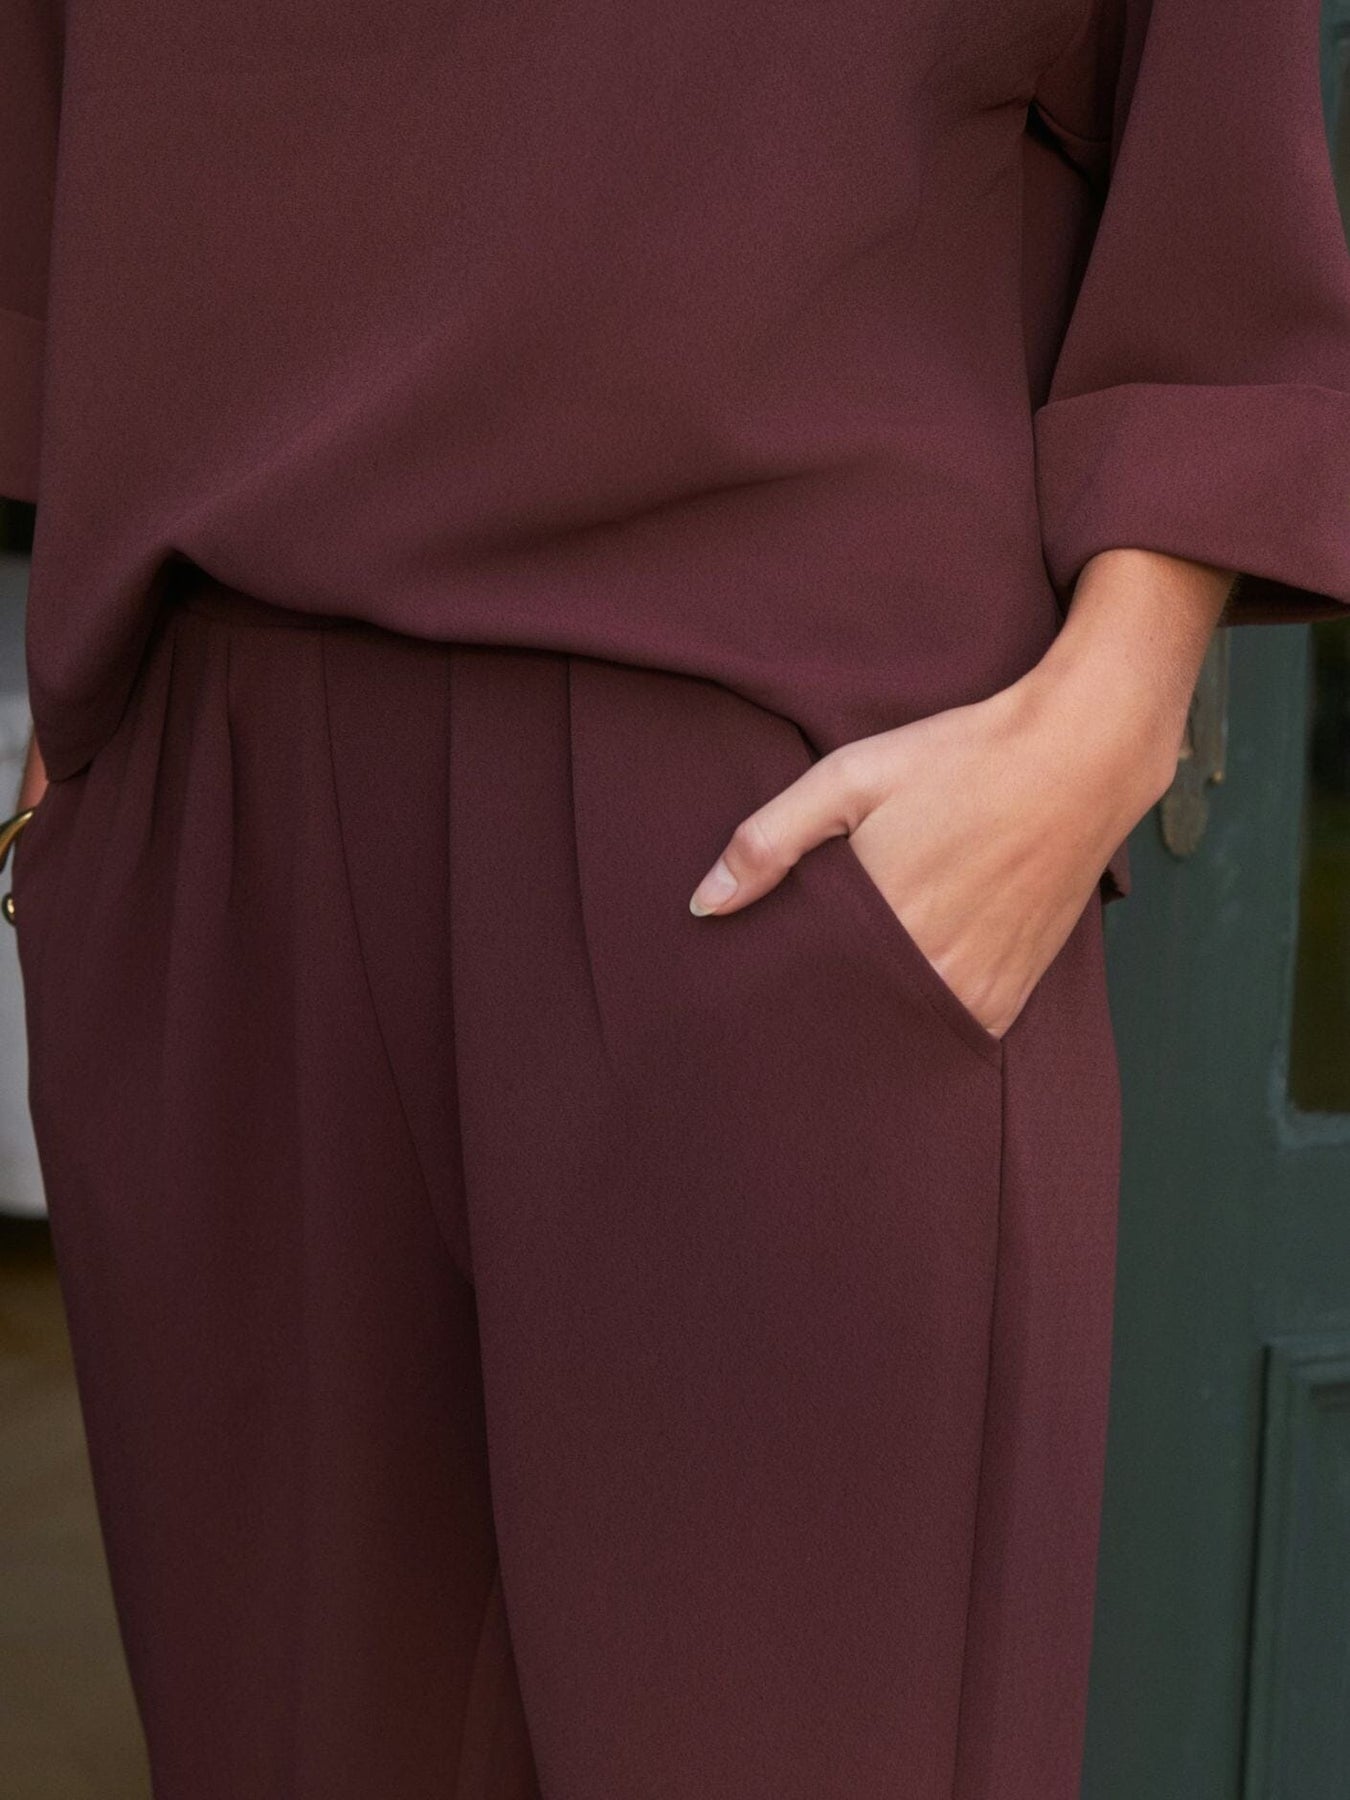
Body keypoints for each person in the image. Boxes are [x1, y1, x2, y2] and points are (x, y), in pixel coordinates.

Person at [2, 0, 1348, 1794]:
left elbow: (1207, 137)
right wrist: (91, 750)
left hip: (767, 813)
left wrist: (1110, 710)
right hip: (217, 781)